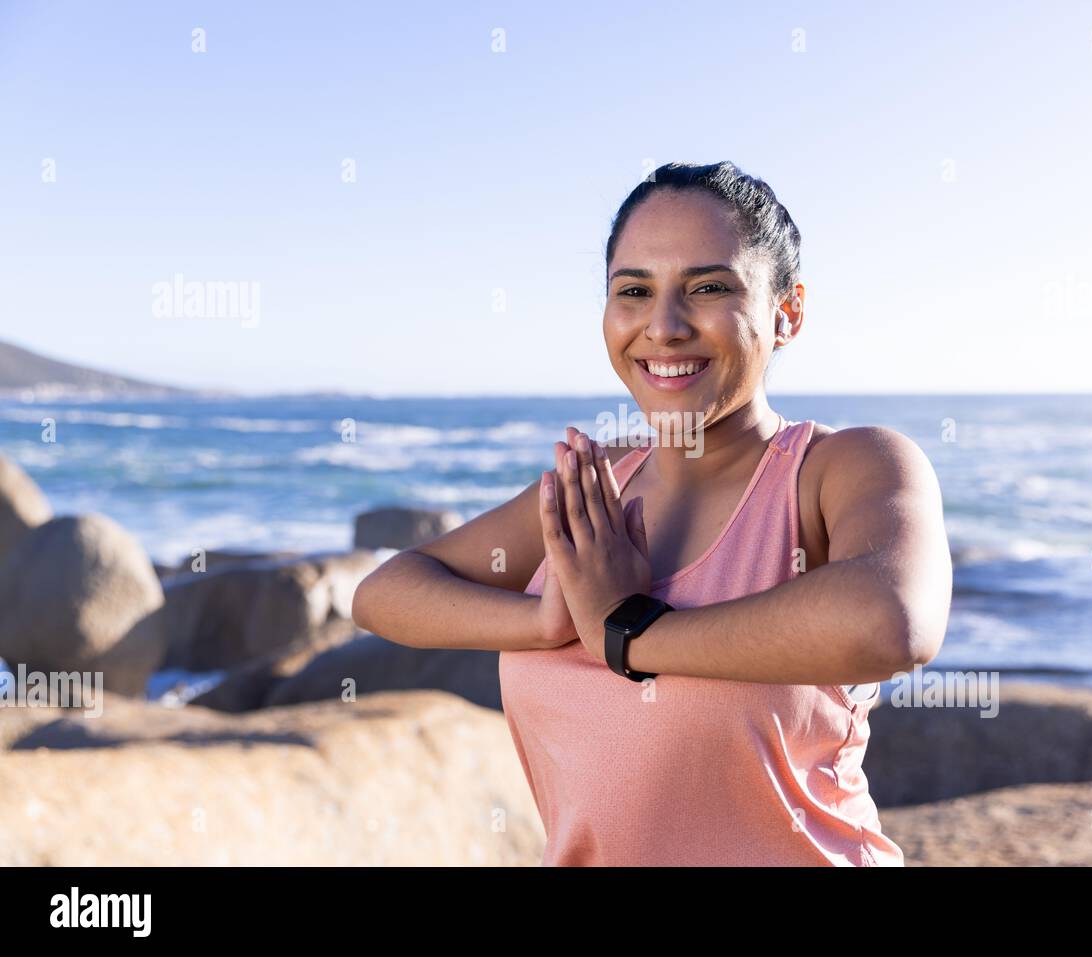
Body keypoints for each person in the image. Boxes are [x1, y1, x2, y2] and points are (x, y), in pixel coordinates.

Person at [352, 160, 952, 866]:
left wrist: (626, 632)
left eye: (708, 288)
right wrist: (547, 619)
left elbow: (891, 621)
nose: (663, 327)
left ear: (786, 312)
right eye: (633, 290)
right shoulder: (594, 487)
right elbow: (382, 592)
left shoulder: (840, 469)